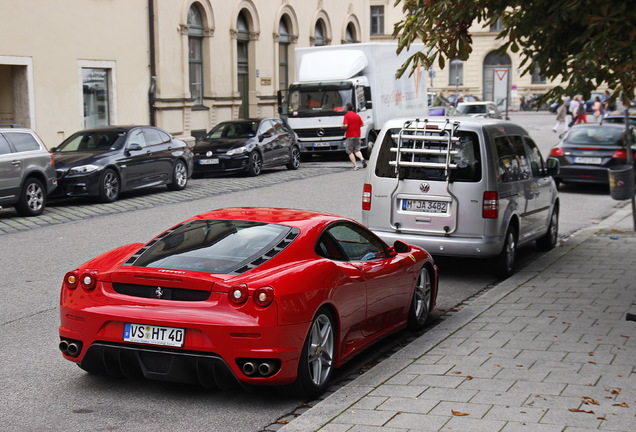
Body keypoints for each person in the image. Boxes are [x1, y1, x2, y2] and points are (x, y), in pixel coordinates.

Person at [342, 102, 366, 170]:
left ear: (347, 109)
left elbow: (346, 125)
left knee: (350, 151)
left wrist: (342, 126)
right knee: (357, 150)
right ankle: (362, 158)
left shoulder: (346, 116)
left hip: (350, 135)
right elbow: (362, 124)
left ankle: (355, 166)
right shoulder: (357, 115)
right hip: (357, 135)